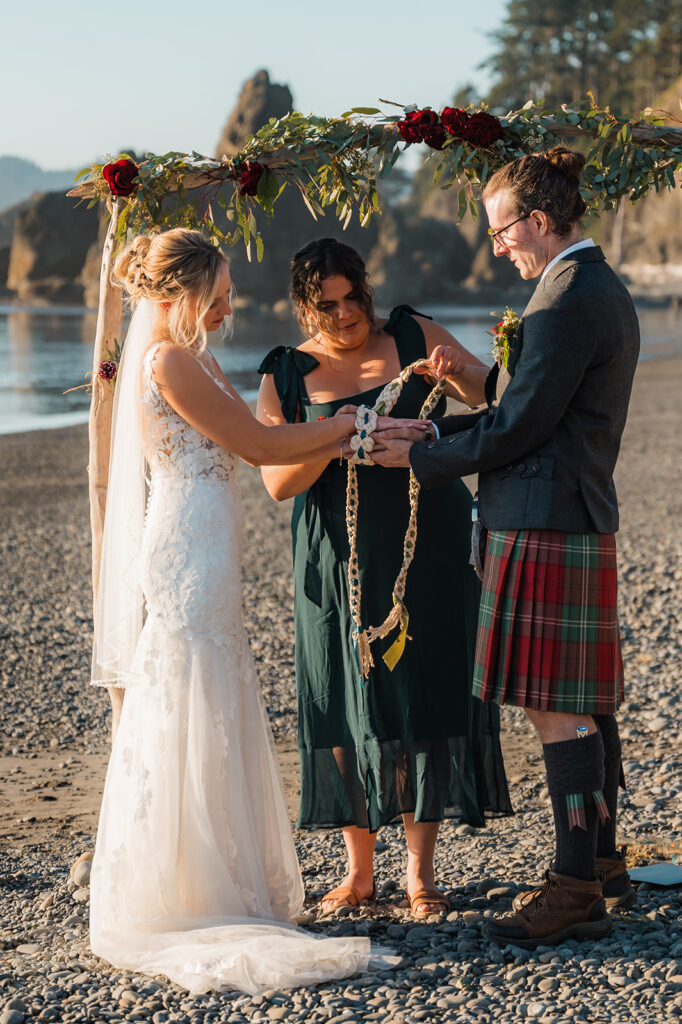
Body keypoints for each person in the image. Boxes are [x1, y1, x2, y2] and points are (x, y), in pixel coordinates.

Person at [88, 228, 413, 993]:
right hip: (187, 552)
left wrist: (342, 432)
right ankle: (185, 888)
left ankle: (222, 877)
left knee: (217, 686)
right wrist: (347, 428)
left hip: (211, 544)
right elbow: (254, 447)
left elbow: (265, 437)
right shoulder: (167, 359)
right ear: (188, 291)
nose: (232, 301)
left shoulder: (194, 356)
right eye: (223, 289)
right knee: (188, 688)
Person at [372, 147, 640, 948]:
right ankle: (600, 861)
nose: (497, 246)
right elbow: (530, 404)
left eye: (501, 231)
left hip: (545, 516)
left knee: (557, 709)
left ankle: (573, 888)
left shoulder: (566, 299)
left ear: (538, 218)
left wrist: (418, 451)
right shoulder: (588, 287)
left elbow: (522, 429)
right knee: (583, 702)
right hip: (567, 510)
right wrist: (469, 389)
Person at [257, 237, 512, 920]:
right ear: (303, 309)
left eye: (352, 298)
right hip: (335, 555)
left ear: (367, 290)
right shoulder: (285, 373)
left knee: (424, 688)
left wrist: (461, 374)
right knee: (345, 696)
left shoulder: (411, 332)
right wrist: (337, 433)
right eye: (327, 305)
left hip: (428, 541)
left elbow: (497, 402)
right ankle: (359, 870)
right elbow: (278, 482)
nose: (345, 315)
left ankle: (421, 870)